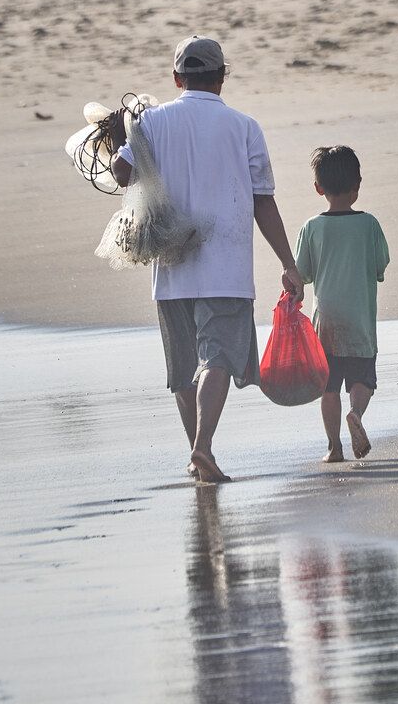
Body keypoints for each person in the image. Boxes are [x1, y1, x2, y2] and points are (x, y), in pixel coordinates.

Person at [110, 37, 304, 483]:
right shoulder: (245, 126)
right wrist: (287, 263)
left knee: (182, 370)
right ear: (222, 77)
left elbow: (122, 175)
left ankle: (199, 456)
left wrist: (127, 134)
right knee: (216, 357)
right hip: (227, 267)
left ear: (177, 78)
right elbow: (263, 203)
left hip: (170, 264)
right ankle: (203, 448)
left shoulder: (152, 122)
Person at [295, 146, 389, 463]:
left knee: (329, 387)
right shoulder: (369, 225)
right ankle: (356, 415)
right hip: (360, 321)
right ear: (357, 186)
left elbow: (303, 274)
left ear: (319, 188)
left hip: (326, 322)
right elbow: (380, 266)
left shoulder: (311, 227)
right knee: (362, 380)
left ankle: (334, 447)